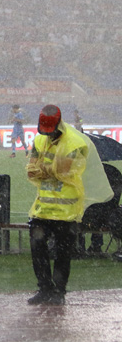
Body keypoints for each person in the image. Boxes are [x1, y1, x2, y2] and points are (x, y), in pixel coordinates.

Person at [25, 104, 112, 306]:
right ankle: (45, 288)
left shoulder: (75, 143)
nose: (49, 135)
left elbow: (63, 171)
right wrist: (49, 169)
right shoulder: (39, 139)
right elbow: (31, 171)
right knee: (38, 249)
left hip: (67, 209)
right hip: (42, 208)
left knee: (63, 253)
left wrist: (44, 169)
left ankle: (59, 291)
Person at [78, 163, 122, 256]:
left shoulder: (86, 172)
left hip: (86, 214)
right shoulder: (110, 173)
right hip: (104, 215)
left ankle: (80, 247)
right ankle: (95, 246)